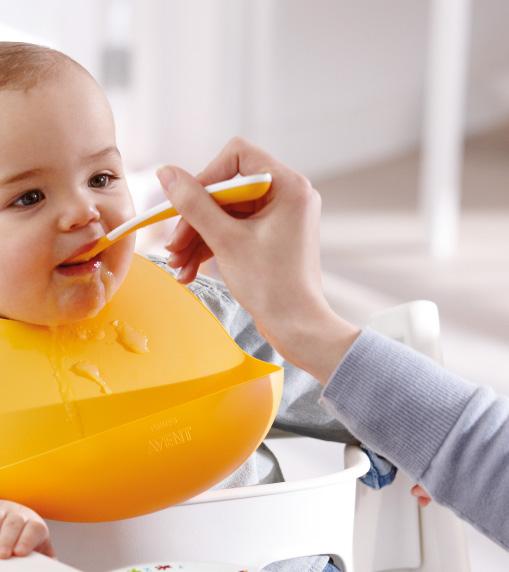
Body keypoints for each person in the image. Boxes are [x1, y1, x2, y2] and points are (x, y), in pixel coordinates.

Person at [0, 42, 396, 571]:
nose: (83, 212)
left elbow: (327, 380)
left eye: (100, 178)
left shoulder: (194, 304)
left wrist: (394, 438)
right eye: (28, 197)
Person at [158, 137, 509, 552]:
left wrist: (404, 438)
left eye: (100, 178)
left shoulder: (177, 303)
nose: (80, 211)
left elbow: (285, 371)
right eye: (54, 195)